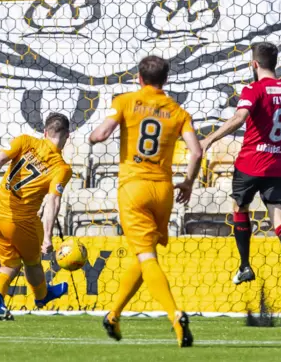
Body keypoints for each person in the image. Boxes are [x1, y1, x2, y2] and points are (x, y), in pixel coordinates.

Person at [89, 56, 202, 347]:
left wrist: (92, 137)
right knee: (144, 254)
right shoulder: (178, 111)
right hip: (163, 191)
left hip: (133, 188)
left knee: (147, 257)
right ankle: (113, 315)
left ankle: (176, 317)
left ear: (139, 78)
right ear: (165, 80)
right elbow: (197, 152)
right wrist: (188, 182)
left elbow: (101, 134)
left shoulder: (126, 101)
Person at [200, 42, 281, 301]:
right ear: (275, 63)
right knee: (280, 220)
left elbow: (240, 117)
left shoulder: (254, 88)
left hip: (250, 164)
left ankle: (245, 265)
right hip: (277, 166)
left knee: (240, 209)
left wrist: (209, 139)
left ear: (254, 64)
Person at [0, 112, 73, 321]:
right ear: (67, 136)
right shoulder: (61, 168)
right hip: (21, 223)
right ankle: (42, 296)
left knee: (10, 264)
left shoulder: (24, 141)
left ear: (45, 132)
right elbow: (53, 201)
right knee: (33, 262)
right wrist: (47, 237)